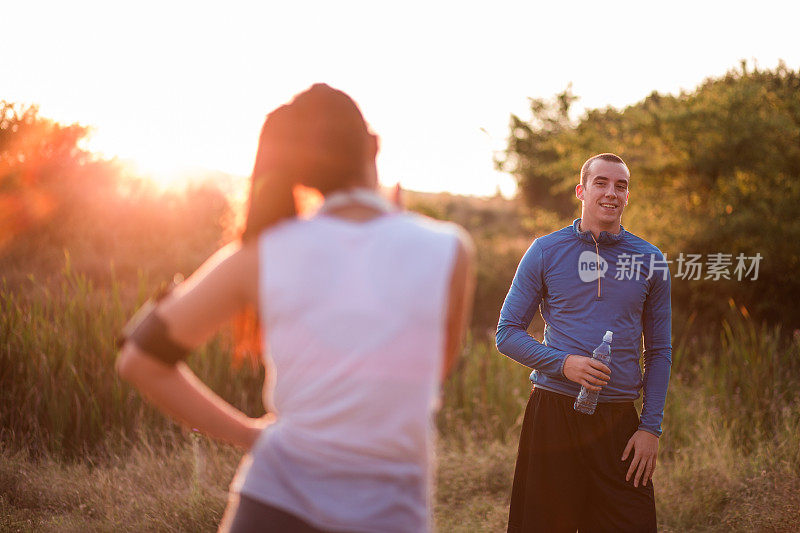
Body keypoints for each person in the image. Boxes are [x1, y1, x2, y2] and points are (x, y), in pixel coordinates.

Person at [116, 84, 475, 533]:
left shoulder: (261, 252)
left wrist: (250, 433)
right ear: (373, 147)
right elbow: (430, 371)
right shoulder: (448, 249)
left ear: (303, 171)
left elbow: (139, 359)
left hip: (272, 505)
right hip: (390, 515)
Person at [496, 153, 671, 532]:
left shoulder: (651, 259)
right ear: (582, 190)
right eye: (601, 183)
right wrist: (563, 364)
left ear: (628, 196)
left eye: (620, 185)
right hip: (554, 415)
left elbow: (658, 352)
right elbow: (506, 332)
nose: (611, 192)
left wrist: (650, 428)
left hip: (620, 424)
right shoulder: (545, 251)